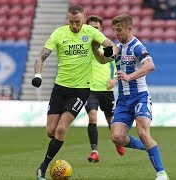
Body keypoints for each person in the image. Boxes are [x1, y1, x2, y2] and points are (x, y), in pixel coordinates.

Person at [31, 4, 119, 180]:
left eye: (78, 22)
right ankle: (55, 148)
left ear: (84, 18)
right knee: (51, 131)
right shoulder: (59, 33)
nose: (75, 26)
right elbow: (41, 56)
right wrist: (38, 75)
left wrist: (110, 51)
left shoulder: (91, 32)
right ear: (67, 19)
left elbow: (112, 46)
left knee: (61, 129)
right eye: (71, 22)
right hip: (60, 88)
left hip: (80, 89)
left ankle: (42, 168)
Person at [92, 14, 169, 180]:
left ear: (129, 28)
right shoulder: (117, 47)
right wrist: (94, 48)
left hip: (140, 96)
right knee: (117, 137)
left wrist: (130, 76)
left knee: (142, 131)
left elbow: (150, 65)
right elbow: (102, 59)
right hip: (123, 101)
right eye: (114, 30)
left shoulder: (137, 47)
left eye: (119, 30)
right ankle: (147, 146)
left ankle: (161, 173)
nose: (116, 34)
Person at [84, 15, 125, 163]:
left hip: (106, 90)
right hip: (89, 89)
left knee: (111, 122)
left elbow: (117, 65)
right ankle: (94, 151)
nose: (93, 30)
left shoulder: (107, 49)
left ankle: (117, 141)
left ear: (101, 30)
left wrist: (115, 79)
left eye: (96, 28)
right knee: (92, 117)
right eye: (91, 28)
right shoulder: (83, 48)